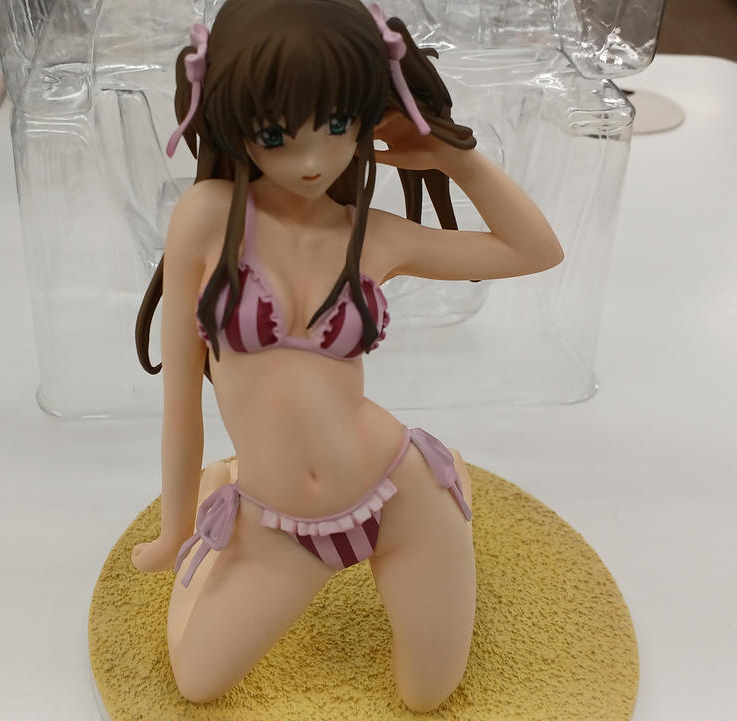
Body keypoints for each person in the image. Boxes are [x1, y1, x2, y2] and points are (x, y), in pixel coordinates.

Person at [130, 0, 562, 710]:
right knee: (195, 680)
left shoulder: (375, 234)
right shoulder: (206, 217)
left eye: (337, 124)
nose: (311, 161)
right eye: (275, 135)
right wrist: (176, 528)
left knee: (426, 696)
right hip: (277, 523)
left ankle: (448, 482)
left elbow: (534, 249)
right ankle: (221, 491)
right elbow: (181, 403)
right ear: (234, 121)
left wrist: (455, 157)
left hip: (399, 494)